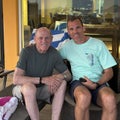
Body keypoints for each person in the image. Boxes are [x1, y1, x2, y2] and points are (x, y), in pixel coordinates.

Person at [59, 15, 117, 120]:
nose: (75, 31)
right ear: (68, 32)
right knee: (83, 97)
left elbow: (109, 71)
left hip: (98, 83)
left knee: (110, 99)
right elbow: (52, 58)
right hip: (78, 83)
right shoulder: (66, 47)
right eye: (71, 29)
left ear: (83, 28)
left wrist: (96, 84)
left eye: (78, 27)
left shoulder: (98, 44)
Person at [12, 27, 71, 120]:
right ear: (35, 39)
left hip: (42, 90)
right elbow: (16, 79)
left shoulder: (54, 53)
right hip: (24, 90)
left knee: (62, 83)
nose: (44, 41)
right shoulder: (26, 52)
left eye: (47, 38)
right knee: (29, 88)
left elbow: (68, 75)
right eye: (40, 38)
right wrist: (42, 80)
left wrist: (59, 76)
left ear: (51, 39)